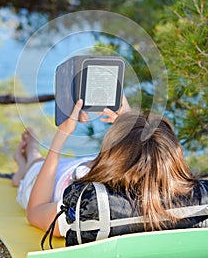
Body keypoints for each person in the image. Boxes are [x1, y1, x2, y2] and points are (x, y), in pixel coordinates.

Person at [12, 97, 208, 240]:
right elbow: (150, 155)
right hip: (91, 168)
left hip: (47, 182)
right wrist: (129, 122)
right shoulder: (181, 191)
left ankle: (27, 159)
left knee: (35, 164)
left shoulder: (87, 206)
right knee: (89, 163)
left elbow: (35, 211)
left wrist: (60, 137)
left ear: (117, 157)